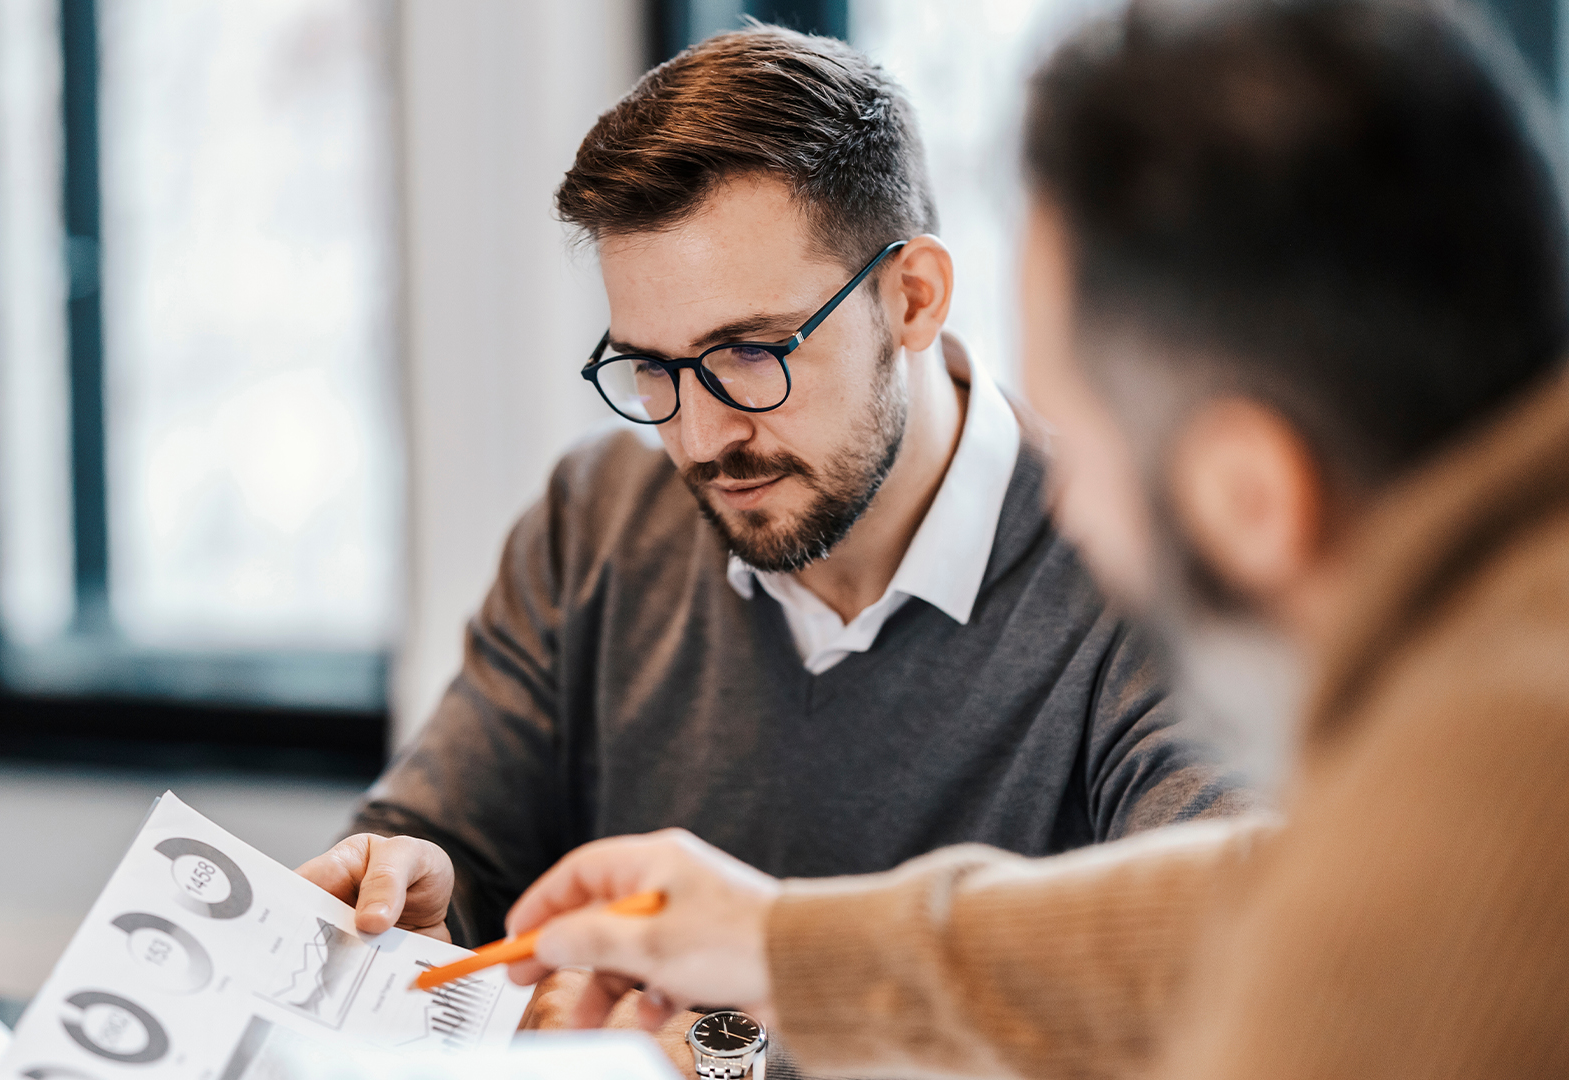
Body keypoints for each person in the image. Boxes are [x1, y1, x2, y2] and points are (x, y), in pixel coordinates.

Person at [501, 1, 1569, 1077]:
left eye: (1088, 449)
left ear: (1253, 495)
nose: (1068, 514)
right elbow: (1245, 900)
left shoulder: (1489, 792)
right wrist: (781, 948)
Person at [294, 24, 1251, 1071]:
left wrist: (728, 1046)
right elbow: (453, 856)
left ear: (914, 297)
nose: (702, 440)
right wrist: (411, 902)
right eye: (651, 369)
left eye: (750, 353)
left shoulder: (1145, 569)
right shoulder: (597, 519)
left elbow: (1215, 983)